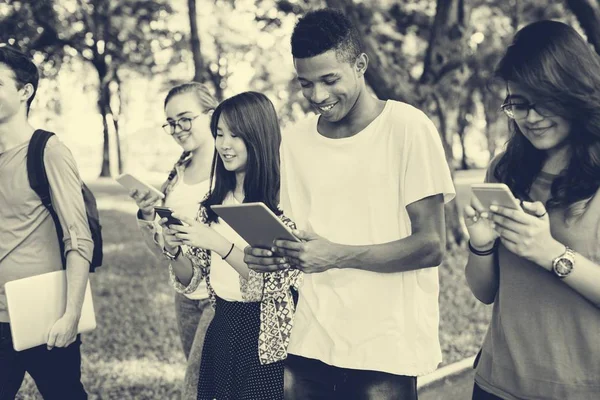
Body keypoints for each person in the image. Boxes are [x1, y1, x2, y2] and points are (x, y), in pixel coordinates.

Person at [244, 9, 456, 400]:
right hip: (310, 339)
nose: (318, 96)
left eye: (329, 80)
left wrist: (336, 256)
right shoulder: (294, 141)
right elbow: (300, 237)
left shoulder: (408, 128)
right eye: (306, 84)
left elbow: (431, 245)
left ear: (360, 65)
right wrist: (271, 254)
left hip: (385, 348)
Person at [464, 20, 600, 400]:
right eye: (518, 104)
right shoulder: (503, 170)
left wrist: (552, 254)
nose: (531, 117)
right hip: (497, 384)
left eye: (543, 101)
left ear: (575, 92)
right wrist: (481, 245)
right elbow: (485, 291)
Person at [160, 91, 302, 400]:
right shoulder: (212, 203)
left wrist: (218, 243)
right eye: (220, 134)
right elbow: (192, 277)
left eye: (235, 135)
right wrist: (173, 251)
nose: (224, 144)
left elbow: (274, 280)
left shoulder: (281, 202)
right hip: (222, 324)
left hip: (265, 337)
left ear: (258, 136)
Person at [0, 46, 93, 399]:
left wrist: (71, 314)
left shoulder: (48, 150)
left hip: (44, 315)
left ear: (25, 91)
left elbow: (78, 238)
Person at [129, 82, 217, 399]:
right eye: (171, 122)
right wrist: (147, 215)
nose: (177, 129)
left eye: (185, 119)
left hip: (222, 298)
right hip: (186, 295)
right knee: (212, 387)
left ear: (213, 113)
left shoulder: (233, 167)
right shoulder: (177, 172)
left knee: (194, 389)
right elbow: (164, 250)